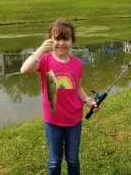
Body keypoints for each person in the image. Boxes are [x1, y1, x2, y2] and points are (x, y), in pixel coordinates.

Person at [20, 20, 99, 175]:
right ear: (50, 40)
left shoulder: (77, 64)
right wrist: (40, 51)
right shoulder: (44, 61)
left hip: (74, 120)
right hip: (53, 121)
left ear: (72, 41)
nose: (61, 43)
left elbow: (77, 88)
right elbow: (24, 70)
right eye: (57, 39)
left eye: (66, 39)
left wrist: (88, 101)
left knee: (73, 159)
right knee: (55, 160)